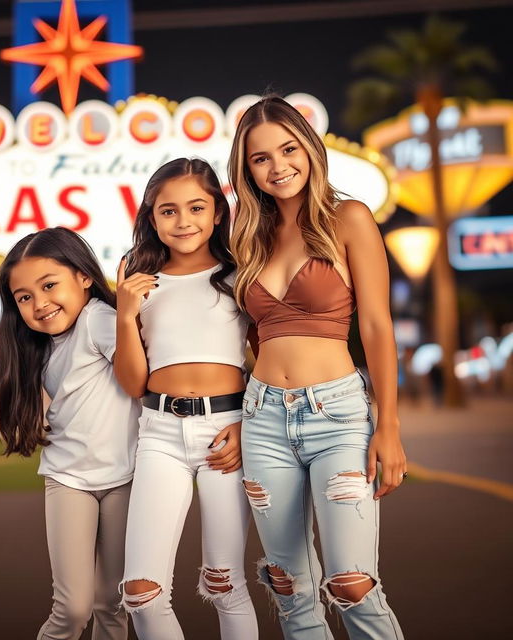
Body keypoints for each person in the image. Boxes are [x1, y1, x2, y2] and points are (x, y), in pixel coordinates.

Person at [228, 96, 406, 639]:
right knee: (289, 587)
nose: (278, 166)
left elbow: (376, 327)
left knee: (351, 582)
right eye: (261, 158)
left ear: (310, 148)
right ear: (247, 169)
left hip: (339, 415)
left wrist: (390, 427)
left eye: (288, 149)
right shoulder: (245, 235)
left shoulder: (348, 218)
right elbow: (245, 333)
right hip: (262, 419)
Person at [115, 158, 258, 640]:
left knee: (225, 583)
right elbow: (134, 383)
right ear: (151, 217)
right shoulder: (136, 275)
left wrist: (248, 426)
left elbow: (271, 358)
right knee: (140, 591)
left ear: (218, 211)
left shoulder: (242, 271)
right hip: (159, 434)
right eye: (168, 211)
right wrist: (125, 312)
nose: (183, 221)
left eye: (196, 207)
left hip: (228, 431)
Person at [0, 227, 139, 640]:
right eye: (24, 297)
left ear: (84, 277)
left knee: (113, 603)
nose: (39, 304)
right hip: (67, 479)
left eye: (49, 285)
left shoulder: (100, 319)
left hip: (125, 479)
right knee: (72, 609)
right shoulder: (42, 346)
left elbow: (143, 378)